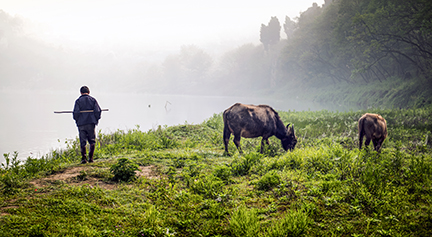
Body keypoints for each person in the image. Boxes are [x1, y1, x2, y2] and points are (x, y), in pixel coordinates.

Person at [73, 86, 101, 164]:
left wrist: (78, 121)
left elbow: (76, 113)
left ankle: (84, 159)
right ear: (89, 92)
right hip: (91, 123)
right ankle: (91, 158)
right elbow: (98, 111)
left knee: (83, 141)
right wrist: (96, 120)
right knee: (92, 140)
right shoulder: (93, 100)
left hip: (81, 124)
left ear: (81, 92)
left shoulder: (78, 101)